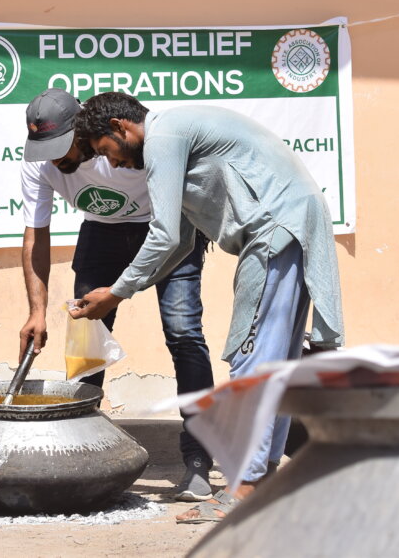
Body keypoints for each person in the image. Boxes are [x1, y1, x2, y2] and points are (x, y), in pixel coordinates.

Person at [70, 92, 344, 523]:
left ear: (122, 127)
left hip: (274, 231)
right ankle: (263, 478)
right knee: (274, 364)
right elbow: (179, 240)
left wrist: (117, 292)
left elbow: (161, 235)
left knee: (251, 361)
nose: (117, 166)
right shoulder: (175, 135)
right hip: (290, 226)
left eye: (110, 152)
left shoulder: (163, 137)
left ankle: (244, 487)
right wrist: (127, 287)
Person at [19, 88, 216, 501]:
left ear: (86, 131)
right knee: (86, 338)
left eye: (63, 146)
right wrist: (35, 311)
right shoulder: (40, 164)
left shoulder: (130, 147)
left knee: (183, 332)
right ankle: (81, 454)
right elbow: (36, 234)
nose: (56, 158)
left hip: (168, 229)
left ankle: (198, 460)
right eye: (46, 148)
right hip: (101, 231)